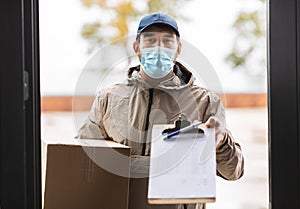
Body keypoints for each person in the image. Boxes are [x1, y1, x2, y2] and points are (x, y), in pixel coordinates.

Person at [77, 12, 244, 209]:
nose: (159, 48)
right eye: (150, 40)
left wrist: (221, 142)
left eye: (167, 41)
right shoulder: (108, 99)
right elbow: (82, 159)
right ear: (137, 48)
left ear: (178, 48)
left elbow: (233, 172)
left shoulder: (205, 102)